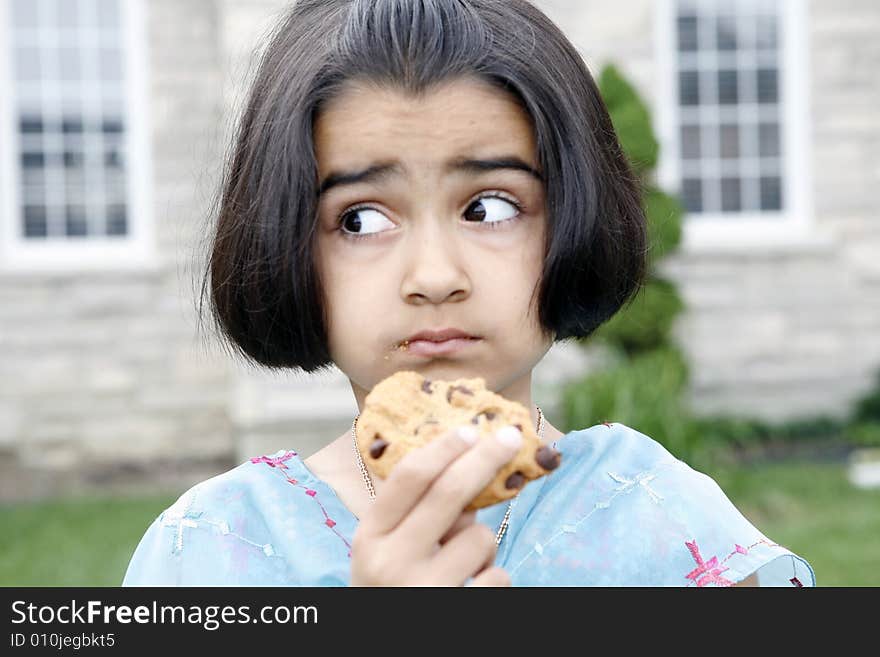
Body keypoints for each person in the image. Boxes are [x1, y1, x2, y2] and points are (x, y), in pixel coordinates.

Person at [123, 0, 815, 587]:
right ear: (289, 246)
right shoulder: (209, 550)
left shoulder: (668, 525)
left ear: (571, 216)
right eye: (361, 218)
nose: (433, 275)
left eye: (489, 207)